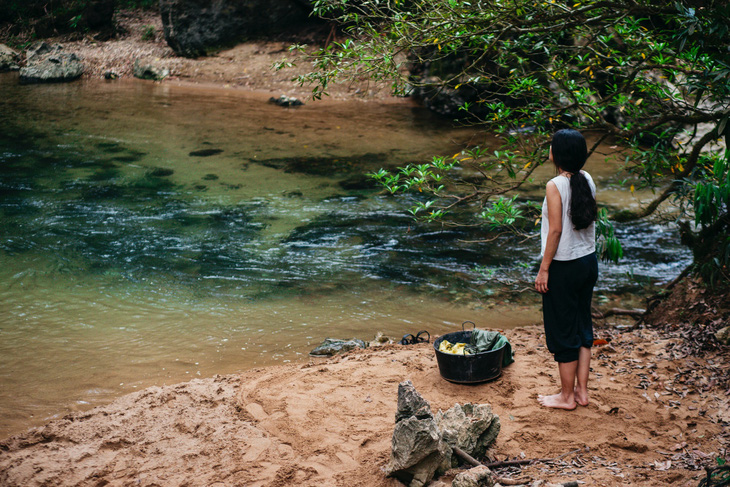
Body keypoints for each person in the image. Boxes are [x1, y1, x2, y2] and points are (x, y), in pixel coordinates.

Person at [535, 129, 598, 410]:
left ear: (556, 154)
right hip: (588, 262)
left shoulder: (554, 185)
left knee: (563, 329)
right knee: (582, 325)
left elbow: (556, 230)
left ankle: (565, 396)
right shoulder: (587, 179)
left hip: (564, 266)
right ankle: (582, 392)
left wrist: (544, 269)